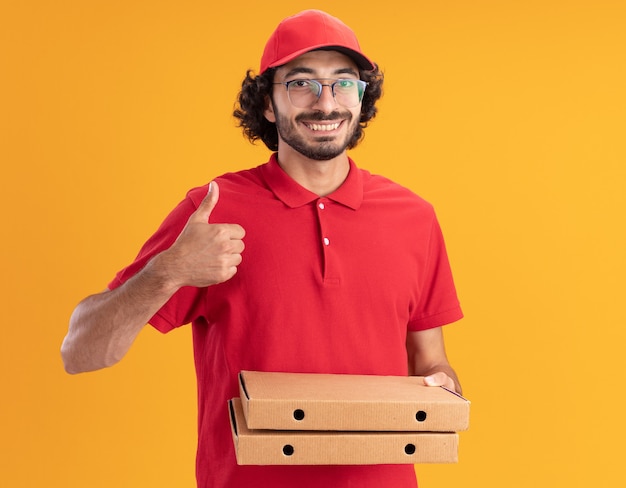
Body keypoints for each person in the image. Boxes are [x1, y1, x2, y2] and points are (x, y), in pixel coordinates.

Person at [61, 9, 464, 488]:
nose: (325, 102)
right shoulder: (212, 209)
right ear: (268, 105)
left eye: (343, 83)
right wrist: (169, 270)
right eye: (301, 83)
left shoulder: (413, 217)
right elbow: (80, 352)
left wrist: (443, 386)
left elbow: (430, 361)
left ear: (362, 98)